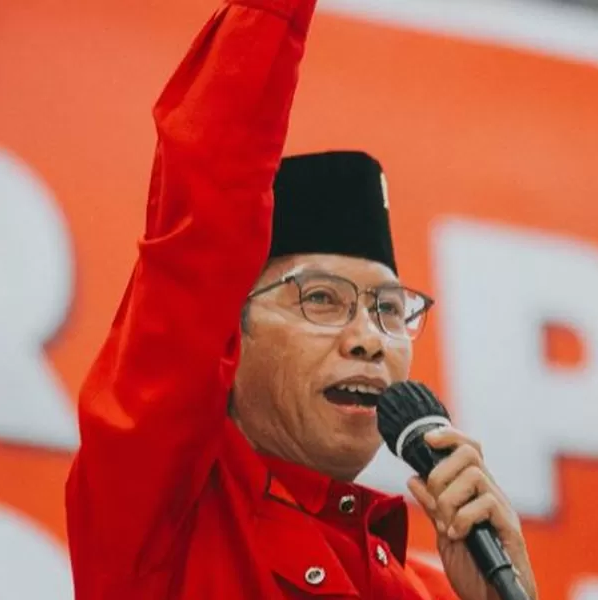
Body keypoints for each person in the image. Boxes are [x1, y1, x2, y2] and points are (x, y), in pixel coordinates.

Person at [64, 0, 540, 598]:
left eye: (389, 310)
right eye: (321, 298)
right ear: (230, 339)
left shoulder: (435, 590)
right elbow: (201, 230)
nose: (369, 340)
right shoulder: (165, 522)